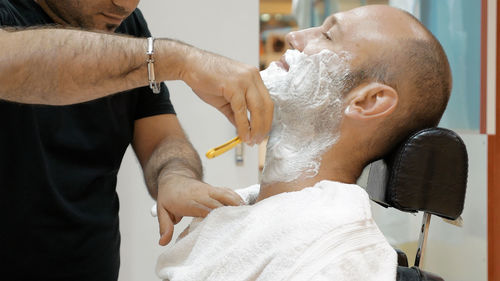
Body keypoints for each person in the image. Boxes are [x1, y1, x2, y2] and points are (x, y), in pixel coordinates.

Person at [156, 5, 451, 281]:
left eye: (327, 35)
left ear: (368, 101)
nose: (293, 36)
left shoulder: (340, 255)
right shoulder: (238, 214)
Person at [0, 0, 273, 280]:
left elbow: (161, 139)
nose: (125, 4)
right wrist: (177, 60)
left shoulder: (127, 25)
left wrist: (175, 176)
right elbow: (10, 63)